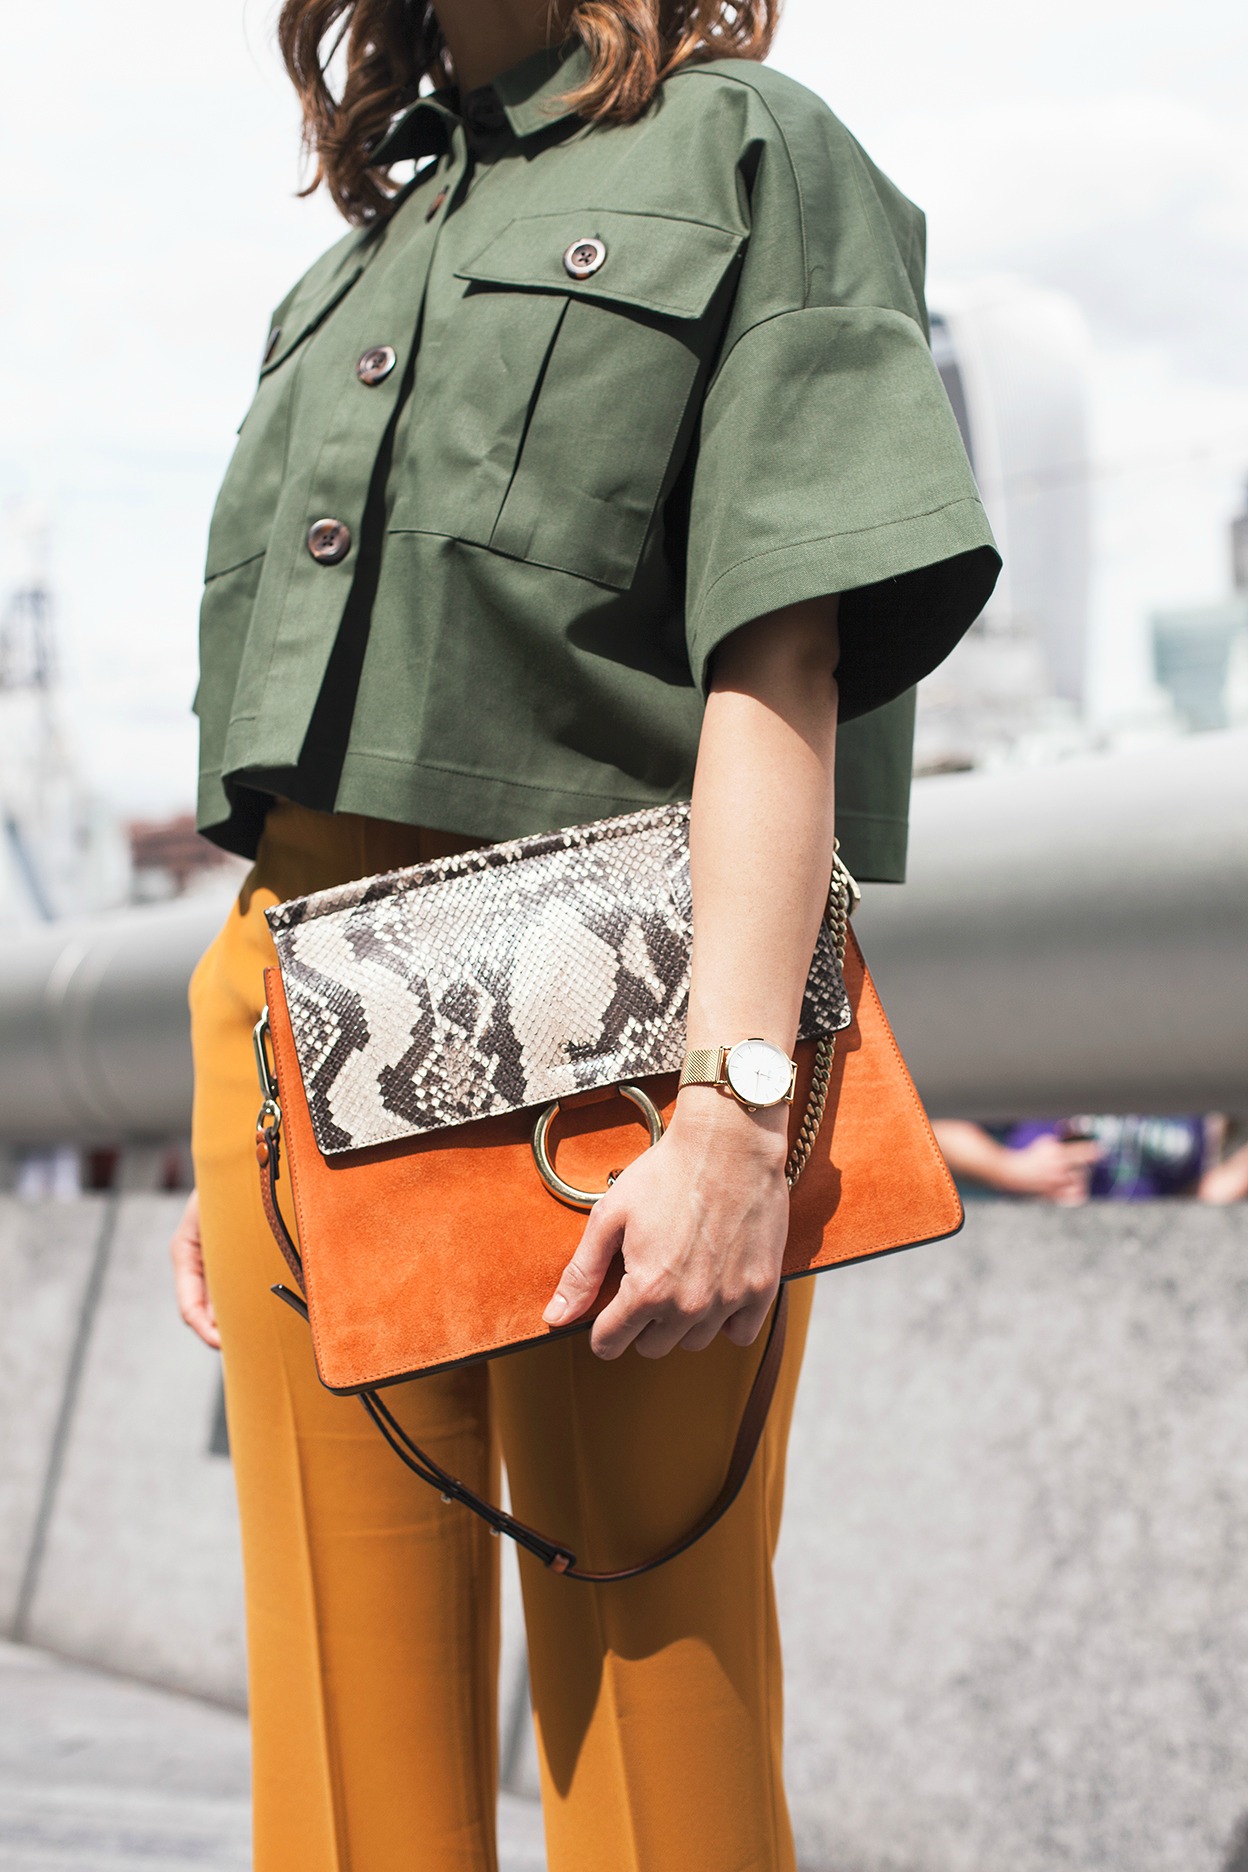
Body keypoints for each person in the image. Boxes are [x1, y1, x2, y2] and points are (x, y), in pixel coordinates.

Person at [168, 3, 998, 1866]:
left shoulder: (750, 152)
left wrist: (735, 1102)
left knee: (658, 1725)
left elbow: (782, 649)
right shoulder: (354, 258)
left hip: (619, 1010)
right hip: (299, 1029)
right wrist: (230, 1141)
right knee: (337, 1748)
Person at [933, 1114, 1248, 1204]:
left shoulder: (1204, 1110)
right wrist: (1008, 1168)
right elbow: (931, 1126)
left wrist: (1229, 1185)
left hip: (1131, 1244)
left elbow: (1195, 1195)